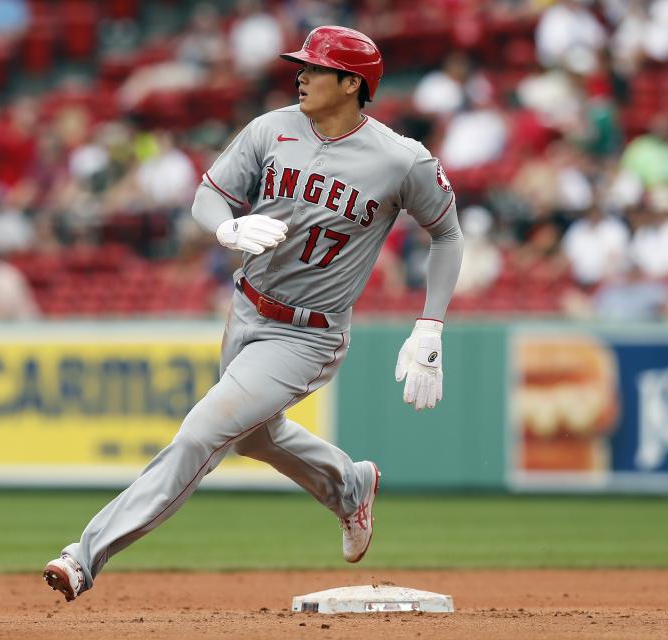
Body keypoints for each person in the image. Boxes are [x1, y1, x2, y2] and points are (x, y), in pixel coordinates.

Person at [43, 26, 465, 601]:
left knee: (200, 435)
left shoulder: (401, 159)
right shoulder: (272, 128)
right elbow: (207, 194)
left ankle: (84, 556)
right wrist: (224, 225)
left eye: (315, 69)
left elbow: (447, 234)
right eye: (302, 66)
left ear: (351, 83)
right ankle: (351, 486)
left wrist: (430, 323)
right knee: (254, 438)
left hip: (306, 336)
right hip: (245, 310)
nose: (301, 75)